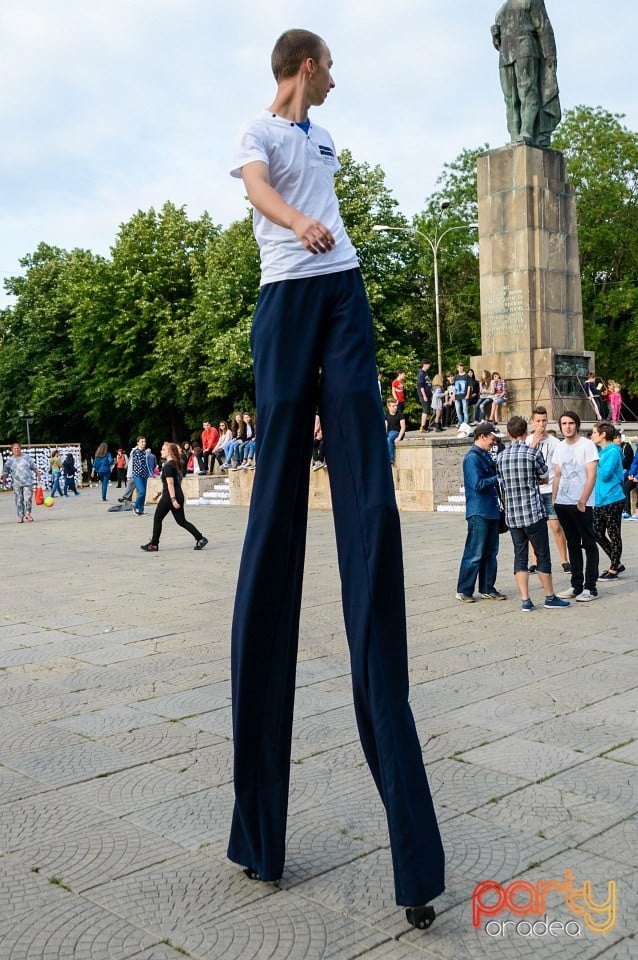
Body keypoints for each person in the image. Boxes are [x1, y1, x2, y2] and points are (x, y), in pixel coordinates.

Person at [227, 28, 444, 930]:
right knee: (274, 518)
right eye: (331, 63)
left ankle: (413, 856)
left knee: (367, 507)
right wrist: (295, 222)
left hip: (343, 290)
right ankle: (260, 837)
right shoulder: (261, 133)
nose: (337, 75)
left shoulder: (326, 140)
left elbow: (313, 190)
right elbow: (260, 192)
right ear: (306, 62)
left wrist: (327, 230)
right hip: (287, 300)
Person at [497, 416, 570, 611]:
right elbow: (545, 477)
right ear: (525, 432)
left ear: (508, 434)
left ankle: (525, 600)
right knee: (542, 554)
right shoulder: (531, 453)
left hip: (513, 515)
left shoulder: (501, 457)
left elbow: (502, 482)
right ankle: (549, 596)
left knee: (520, 555)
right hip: (532, 512)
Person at [491, 0, 561, 148]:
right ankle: (514, 136)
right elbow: (498, 43)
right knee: (510, 98)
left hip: (526, 47)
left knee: (527, 91)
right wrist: (495, 37)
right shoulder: (501, 11)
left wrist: (550, 53)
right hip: (505, 53)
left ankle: (526, 131)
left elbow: (544, 27)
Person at [456, 422, 506, 603]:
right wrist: (497, 478)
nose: (494, 443)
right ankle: (464, 590)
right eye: (492, 439)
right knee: (475, 553)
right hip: (479, 511)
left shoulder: (483, 456)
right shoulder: (472, 458)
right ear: (482, 436)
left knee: (490, 552)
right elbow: (477, 484)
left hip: (490, 510)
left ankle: (487, 587)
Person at [553, 411, 599, 601]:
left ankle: (591, 587)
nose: (567, 426)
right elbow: (557, 474)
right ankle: (576, 585)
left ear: (577, 425)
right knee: (572, 544)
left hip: (582, 504)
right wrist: (554, 500)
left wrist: (583, 500)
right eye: (564, 423)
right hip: (563, 503)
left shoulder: (587, 445)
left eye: (571, 423)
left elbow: (592, 475)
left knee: (588, 544)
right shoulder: (560, 447)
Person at [141, 442, 208, 552]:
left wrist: (173, 499)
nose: (161, 451)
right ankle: (200, 538)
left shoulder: (168, 466)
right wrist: (159, 493)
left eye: (163, 450)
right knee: (181, 521)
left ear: (169, 452)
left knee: (157, 518)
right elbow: (172, 483)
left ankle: (154, 544)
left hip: (170, 497)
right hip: (177, 495)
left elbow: (171, 484)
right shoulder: (176, 465)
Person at [526, 406, 570, 573]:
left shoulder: (555, 442)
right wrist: (534, 444)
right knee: (534, 529)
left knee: (556, 526)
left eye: (544, 420)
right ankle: (535, 561)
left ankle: (564, 560)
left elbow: (559, 467)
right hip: (534, 490)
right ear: (533, 422)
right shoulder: (528, 441)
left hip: (550, 488)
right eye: (538, 421)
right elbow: (525, 463)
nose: (541, 424)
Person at [591, 423, 625, 579]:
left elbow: (605, 475)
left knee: (613, 533)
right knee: (597, 532)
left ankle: (614, 568)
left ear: (603, 434)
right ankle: (616, 561)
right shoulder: (602, 451)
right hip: (600, 499)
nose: (592, 436)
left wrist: (594, 463)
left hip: (613, 498)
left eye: (594, 433)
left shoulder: (612, 452)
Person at [1, 442, 41, 522]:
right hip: (16, 483)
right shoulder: (9, 460)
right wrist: (4, 482)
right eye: (14, 448)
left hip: (28, 482)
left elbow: (33, 467)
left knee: (28, 498)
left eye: (18, 448)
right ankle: (20, 516)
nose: (16, 450)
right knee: (19, 500)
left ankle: (28, 513)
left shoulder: (27, 457)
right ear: (12, 450)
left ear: (20, 449)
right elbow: (5, 472)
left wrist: (38, 474)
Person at [129, 437, 151, 515]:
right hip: (137, 474)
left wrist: (151, 473)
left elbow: (148, 464)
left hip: (145, 474)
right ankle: (136, 507)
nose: (144, 443)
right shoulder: (134, 452)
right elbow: (130, 464)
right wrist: (129, 475)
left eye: (144, 441)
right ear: (137, 443)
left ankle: (141, 510)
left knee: (143, 493)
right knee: (142, 491)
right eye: (142, 442)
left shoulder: (146, 452)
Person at [385, 398, 406, 465]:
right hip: (390, 432)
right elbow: (385, 426)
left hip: (398, 433)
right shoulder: (386, 415)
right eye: (393, 406)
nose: (395, 407)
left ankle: (391, 459)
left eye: (396, 406)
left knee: (389, 439)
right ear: (389, 407)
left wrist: (399, 437)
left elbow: (403, 428)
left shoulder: (400, 414)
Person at [416, 359, 432, 432]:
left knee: (427, 410)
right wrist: (424, 395)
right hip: (424, 395)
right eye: (428, 364)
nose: (429, 365)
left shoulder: (426, 373)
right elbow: (421, 386)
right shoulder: (421, 373)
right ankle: (422, 427)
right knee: (425, 410)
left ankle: (425, 426)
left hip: (428, 394)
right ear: (424, 364)